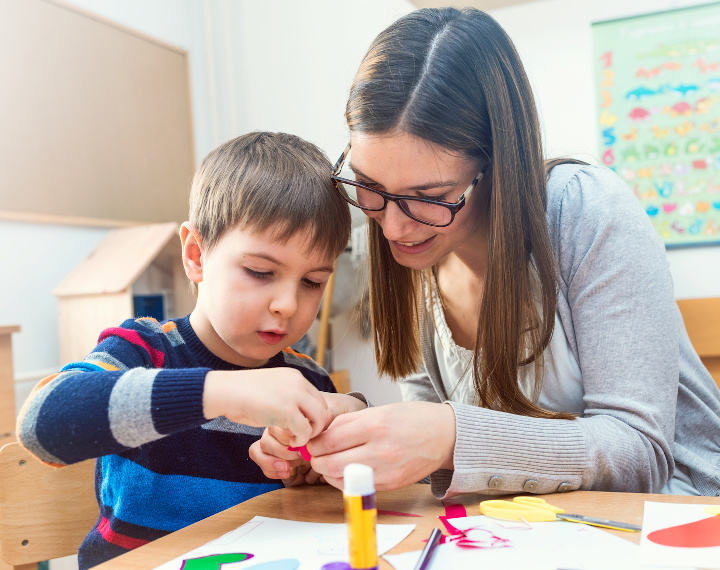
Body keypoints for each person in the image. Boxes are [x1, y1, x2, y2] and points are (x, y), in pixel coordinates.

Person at [252, 8, 720, 498]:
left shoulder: (586, 209)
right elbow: (436, 446)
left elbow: (639, 454)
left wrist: (449, 436)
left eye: (429, 196)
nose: (392, 226)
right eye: (369, 187)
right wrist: (351, 442)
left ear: (498, 165)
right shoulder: (415, 243)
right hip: (530, 529)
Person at [15, 131, 367, 568]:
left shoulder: (308, 380)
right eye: (260, 271)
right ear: (196, 255)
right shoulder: (142, 350)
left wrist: (336, 438)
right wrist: (222, 393)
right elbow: (40, 423)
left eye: (313, 282)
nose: (289, 304)